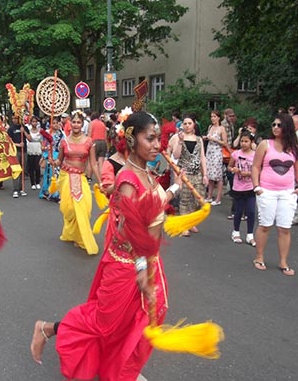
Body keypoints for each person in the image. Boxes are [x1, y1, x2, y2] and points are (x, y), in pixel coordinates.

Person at [30, 111, 183, 380]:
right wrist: (140, 271)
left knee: (137, 324)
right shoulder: (127, 180)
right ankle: (47, 328)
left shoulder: (147, 173)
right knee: (103, 323)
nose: (157, 145)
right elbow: (127, 231)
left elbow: (152, 212)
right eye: (150, 138)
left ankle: (121, 370)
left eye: (159, 138)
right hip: (127, 266)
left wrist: (173, 189)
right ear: (132, 140)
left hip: (150, 263)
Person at [251, 114, 298, 276]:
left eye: (279, 125)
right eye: (273, 124)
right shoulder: (265, 144)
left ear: (287, 127)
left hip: (287, 192)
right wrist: (256, 187)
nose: (275, 127)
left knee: (285, 228)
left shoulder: (295, 148)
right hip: (267, 190)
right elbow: (255, 166)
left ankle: (283, 261)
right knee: (265, 225)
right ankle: (259, 257)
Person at [51, 111, 101, 255]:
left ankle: (80, 237)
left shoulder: (89, 142)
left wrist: (101, 181)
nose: (76, 125)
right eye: (74, 122)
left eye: (79, 122)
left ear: (82, 124)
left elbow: (93, 163)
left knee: (85, 209)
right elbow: (59, 160)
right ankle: (73, 234)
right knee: (69, 210)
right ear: (70, 123)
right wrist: (54, 162)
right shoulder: (64, 141)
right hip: (66, 176)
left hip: (81, 177)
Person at [172, 114, 208, 236]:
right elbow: (176, 156)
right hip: (184, 173)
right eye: (185, 123)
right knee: (185, 199)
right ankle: (184, 225)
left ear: (194, 124)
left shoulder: (199, 139)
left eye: (190, 123)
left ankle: (190, 221)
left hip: (197, 173)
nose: (187, 126)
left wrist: (205, 174)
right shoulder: (179, 138)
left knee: (199, 199)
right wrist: (180, 142)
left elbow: (202, 157)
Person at [227, 130, 256, 245]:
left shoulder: (255, 155)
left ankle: (250, 234)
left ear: (251, 142)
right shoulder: (236, 154)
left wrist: (248, 174)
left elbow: (258, 170)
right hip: (238, 186)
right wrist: (234, 170)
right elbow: (229, 166)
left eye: (246, 141)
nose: (244, 143)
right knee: (239, 210)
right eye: (242, 141)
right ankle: (236, 231)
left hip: (250, 186)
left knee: (251, 210)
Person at [204, 110, 228, 206]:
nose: (212, 118)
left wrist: (215, 139)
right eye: (211, 116)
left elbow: (225, 143)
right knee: (210, 175)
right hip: (209, 151)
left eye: (214, 116)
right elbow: (208, 138)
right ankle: (209, 196)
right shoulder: (210, 127)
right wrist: (206, 138)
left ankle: (218, 198)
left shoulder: (221, 128)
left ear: (218, 117)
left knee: (218, 175)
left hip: (217, 152)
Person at [7, 114, 31, 198]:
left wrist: (23, 131)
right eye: (12, 118)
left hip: (23, 151)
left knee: (22, 170)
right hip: (15, 152)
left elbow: (30, 138)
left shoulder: (24, 127)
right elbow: (8, 141)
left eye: (15, 118)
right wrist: (18, 144)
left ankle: (22, 188)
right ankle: (15, 189)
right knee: (16, 170)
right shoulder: (10, 129)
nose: (14, 120)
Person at [39, 117, 63, 202]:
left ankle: (56, 194)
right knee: (49, 175)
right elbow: (42, 147)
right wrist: (47, 148)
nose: (55, 125)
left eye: (57, 123)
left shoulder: (61, 134)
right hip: (50, 155)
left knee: (57, 175)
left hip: (58, 156)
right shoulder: (47, 134)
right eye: (54, 123)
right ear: (50, 124)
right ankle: (48, 192)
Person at [26, 117, 42, 190]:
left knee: (37, 167)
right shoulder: (29, 131)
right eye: (33, 122)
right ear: (31, 123)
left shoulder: (40, 131)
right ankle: (32, 183)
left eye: (35, 122)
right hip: (31, 149)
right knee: (31, 167)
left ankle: (38, 182)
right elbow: (29, 139)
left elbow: (42, 140)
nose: (34, 123)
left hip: (38, 149)